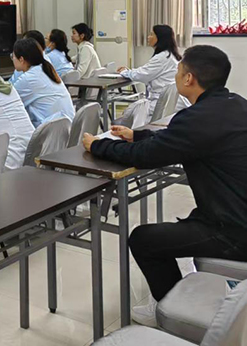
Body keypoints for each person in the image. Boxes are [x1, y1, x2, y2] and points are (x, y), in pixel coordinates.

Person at [82, 45, 247, 327]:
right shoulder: (236, 104)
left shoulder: (197, 118)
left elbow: (146, 157)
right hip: (235, 214)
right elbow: (177, 139)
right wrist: (137, 135)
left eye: (179, 71)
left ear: (189, 78)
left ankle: (171, 309)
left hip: (234, 231)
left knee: (144, 240)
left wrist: (98, 145)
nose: (176, 75)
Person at [117, 25, 186, 119]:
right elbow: (145, 70)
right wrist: (130, 71)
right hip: (168, 100)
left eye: (151, 34)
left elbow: (141, 75)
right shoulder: (169, 55)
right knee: (132, 111)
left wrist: (125, 72)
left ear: (160, 38)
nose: (148, 37)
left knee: (129, 113)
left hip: (161, 101)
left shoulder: (161, 57)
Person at [10, 38, 75, 128]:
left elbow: (9, 101)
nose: (12, 59)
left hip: (53, 130)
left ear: (21, 59)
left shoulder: (29, 78)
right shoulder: (45, 69)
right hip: (67, 126)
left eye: (13, 56)